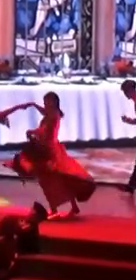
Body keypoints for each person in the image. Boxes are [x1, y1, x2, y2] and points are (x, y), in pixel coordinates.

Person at [3, 92, 96, 220]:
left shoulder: (53, 115)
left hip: (48, 151)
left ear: (53, 102)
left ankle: (54, 210)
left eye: (46, 101)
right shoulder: (52, 113)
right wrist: (33, 105)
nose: (45, 104)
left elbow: (44, 131)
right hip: (50, 149)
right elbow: (44, 115)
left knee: (47, 181)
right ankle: (71, 207)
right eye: (44, 102)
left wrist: (33, 132)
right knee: (59, 179)